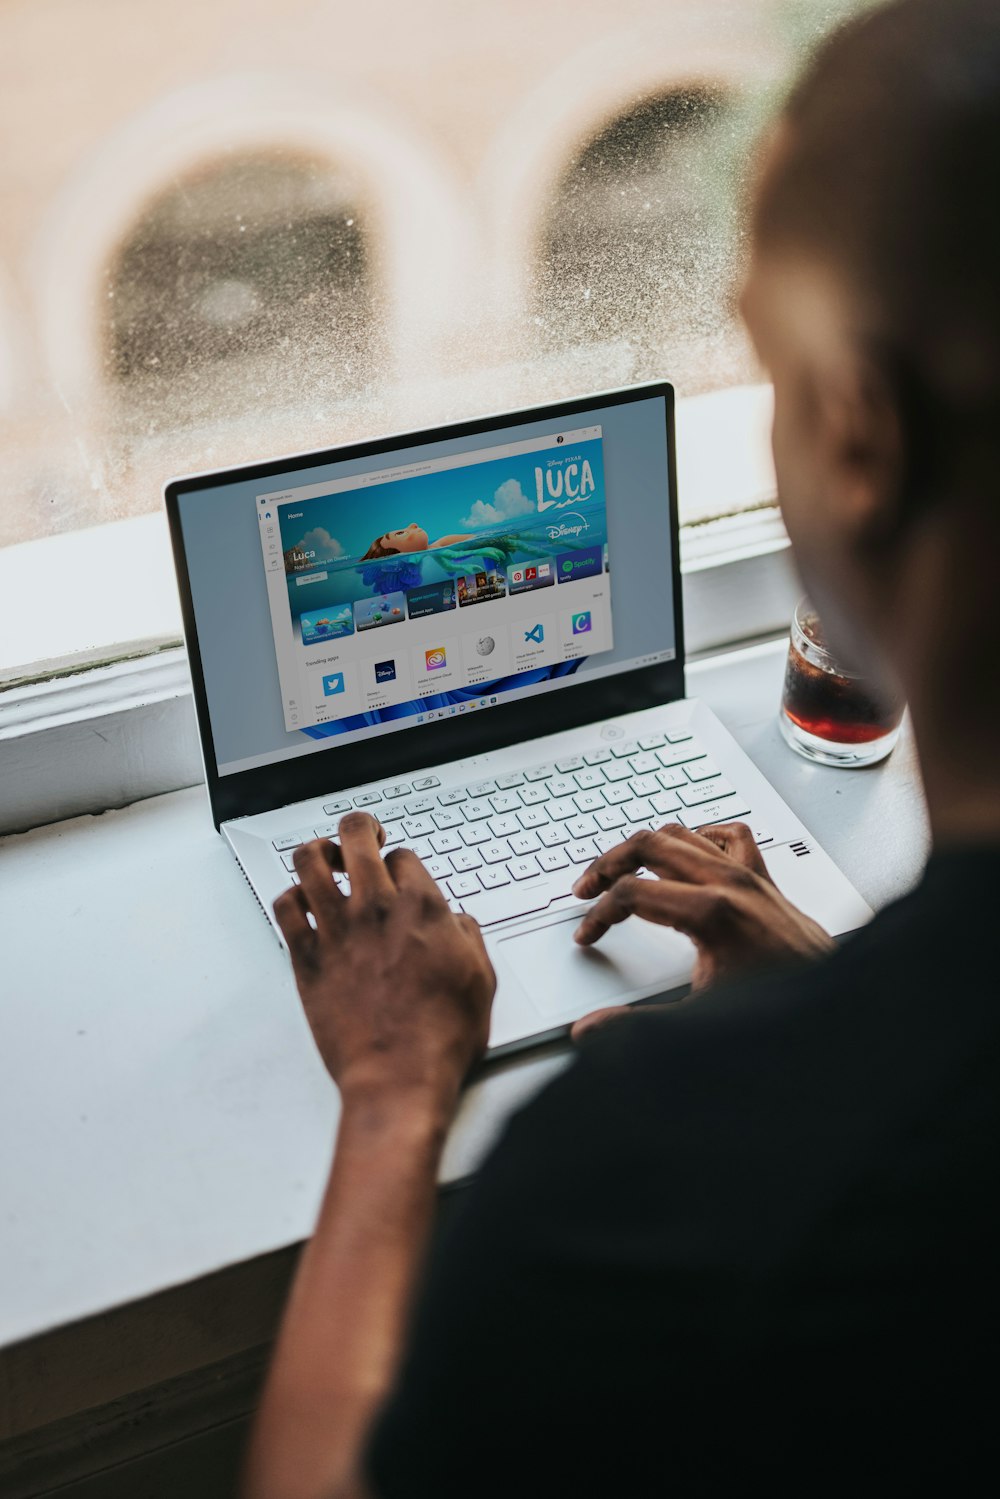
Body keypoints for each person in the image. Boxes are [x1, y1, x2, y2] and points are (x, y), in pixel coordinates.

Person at [243, 2, 1000, 1494]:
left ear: (858, 435)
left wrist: (399, 1091)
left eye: (774, 377)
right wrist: (849, 994)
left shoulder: (648, 1178)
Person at [361, 521, 474, 559]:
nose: (413, 524)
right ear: (398, 555)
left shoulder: (445, 541)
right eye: (400, 533)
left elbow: (475, 540)